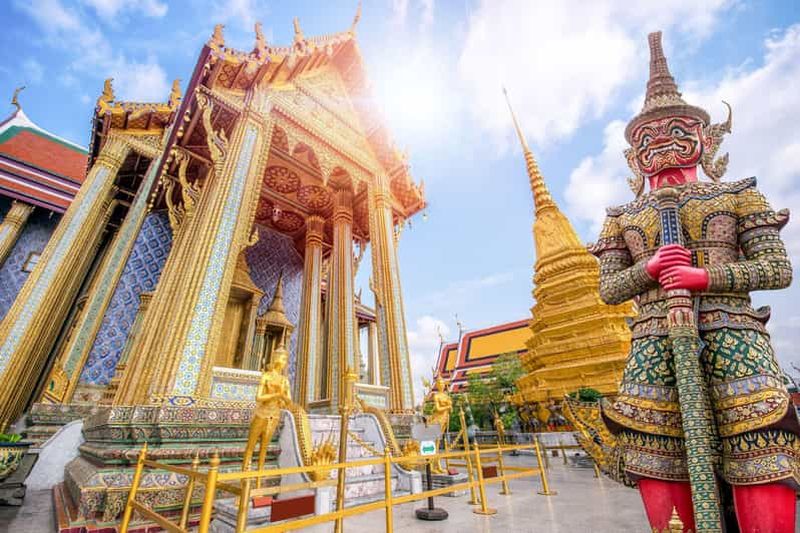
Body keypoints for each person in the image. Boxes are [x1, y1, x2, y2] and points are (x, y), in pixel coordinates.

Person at [589, 31, 797, 532]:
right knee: (654, 454)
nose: (660, 139)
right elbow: (610, 289)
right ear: (633, 154)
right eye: (646, 136)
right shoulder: (622, 216)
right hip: (654, 343)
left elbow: (777, 269)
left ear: (706, 139)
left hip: (734, 337)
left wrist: (704, 275)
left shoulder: (738, 195)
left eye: (676, 129)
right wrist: (652, 270)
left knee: (760, 447)